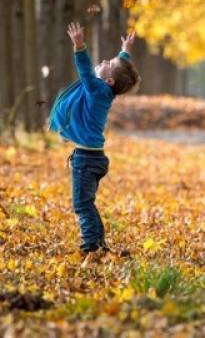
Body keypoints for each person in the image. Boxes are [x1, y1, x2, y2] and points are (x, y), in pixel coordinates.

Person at [49, 22, 141, 254]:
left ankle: (91, 247)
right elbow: (117, 71)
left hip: (86, 160)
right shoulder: (104, 91)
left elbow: (86, 72)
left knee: (81, 205)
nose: (103, 62)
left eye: (107, 64)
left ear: (108, 80)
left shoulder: (98, 90)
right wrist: (125, 52)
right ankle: (98, 245)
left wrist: (79, 46)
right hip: (92, 158)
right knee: (86, 204)